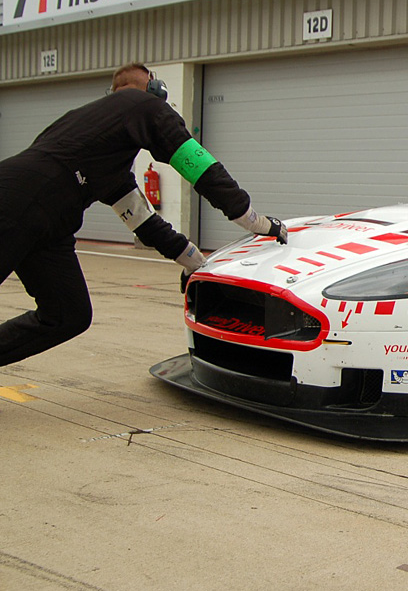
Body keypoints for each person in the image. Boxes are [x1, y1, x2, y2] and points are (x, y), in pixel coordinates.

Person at [0, 63, 287, 368]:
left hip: (51, 223)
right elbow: (198, 164)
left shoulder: (105, 150)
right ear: (152, 87)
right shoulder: (144, 105)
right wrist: (254, 220)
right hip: (19, 201)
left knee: (68, 314)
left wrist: (192, 260)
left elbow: (142, 220)